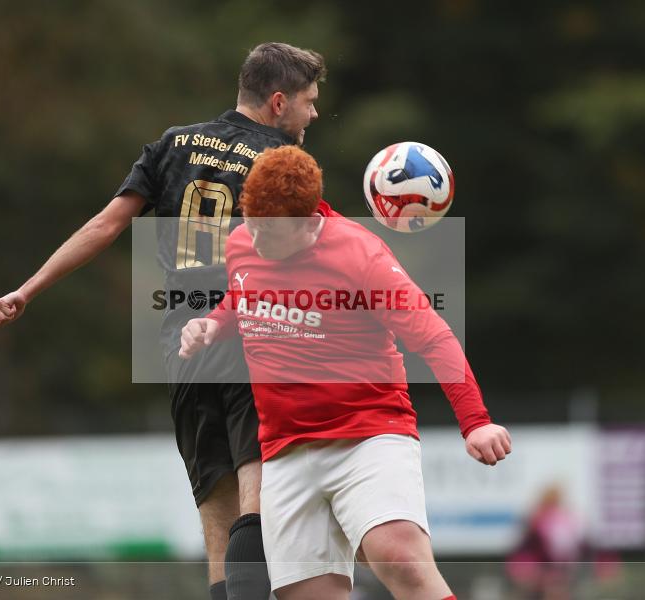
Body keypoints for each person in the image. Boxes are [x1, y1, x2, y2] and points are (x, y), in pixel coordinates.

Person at [0, 42, 326, 600]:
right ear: (278, 102)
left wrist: (27, 289)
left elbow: (104, 225)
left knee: (214, 505)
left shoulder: (173, 143)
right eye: (309, 103)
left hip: (181, 340)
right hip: (248, 329)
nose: (313, 114)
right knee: (256, 489)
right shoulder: (283, 165)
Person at [180, 146, 512, 600]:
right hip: (285, 450)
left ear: (308, 223)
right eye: (251, 222)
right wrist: (212, 325)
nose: (253, 238)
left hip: (369, 434)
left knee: (398, 555)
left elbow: (434, 337)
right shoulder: (243, 242)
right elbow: (242, 298)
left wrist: (475, 421)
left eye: (267, 230)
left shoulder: (362, 257)